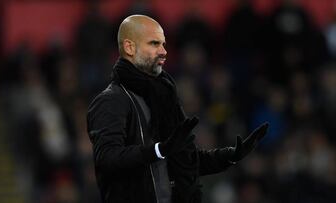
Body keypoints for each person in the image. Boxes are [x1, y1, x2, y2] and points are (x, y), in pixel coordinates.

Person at [86, 14, 269, 203]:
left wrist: (230, 155)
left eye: (163, 44)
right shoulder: (110, 101)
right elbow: (107, 159)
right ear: (129, 47)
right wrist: (158, 150)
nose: (163, 51)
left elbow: (185, 160)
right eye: (154, 44)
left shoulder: (164, 96)